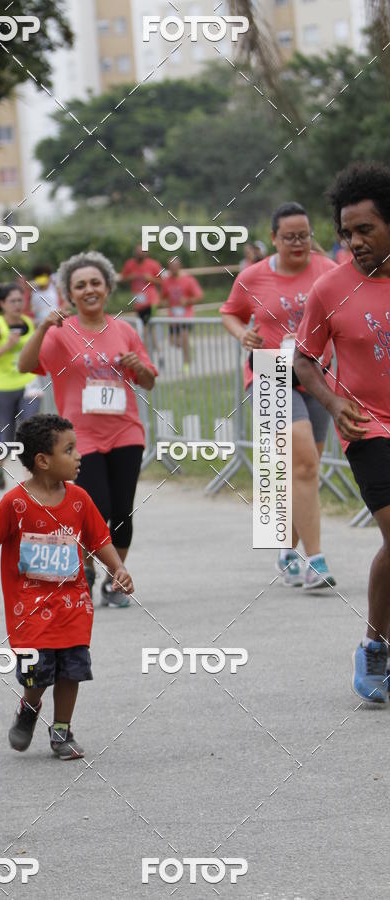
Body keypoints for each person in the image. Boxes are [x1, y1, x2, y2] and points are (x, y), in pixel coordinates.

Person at [0, 413, 133, 760]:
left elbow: (98, 539)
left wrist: (117, 567)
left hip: (73, 605)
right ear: (43, 461)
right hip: (29, 611)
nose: (79, 456)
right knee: (36, 674)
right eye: (69, 450)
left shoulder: (79, 500)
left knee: (73, 666)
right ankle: (29, 707)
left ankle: (62, 730)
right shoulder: (13, 503)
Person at [294, 163, 390, 702]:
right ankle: (375, 647)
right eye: (346, 232)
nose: (353, 241)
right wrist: (332, 402)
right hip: (367, 424)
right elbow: (303, 359)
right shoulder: (330, 289)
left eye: (365, 230)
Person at [18, 251, 157, 608]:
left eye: (96, 282)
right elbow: (25, 364)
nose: (89, 289)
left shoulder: (125, 330)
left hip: (126, 431)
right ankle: (88, 567)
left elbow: (148, 381)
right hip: (82, 436)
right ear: (70, 293)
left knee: (123, 511)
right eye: (80, 285)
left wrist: (137, 365)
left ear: (108, 287)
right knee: (97, 507)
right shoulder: (61, 333)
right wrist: (44, 327)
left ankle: (115, 580)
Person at [220, 202, 337, 590]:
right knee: (301, 454)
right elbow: (230, 312)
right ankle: (316, 562)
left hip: (316, 372)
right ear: (274, 239)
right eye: (289, 237)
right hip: (269, 372)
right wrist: (242, 334)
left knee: (306, 466)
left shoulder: (328, 271)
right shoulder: (253, 276)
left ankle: (286, 548)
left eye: (304, 235)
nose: (298, 243)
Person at [0, 283, 39, 489]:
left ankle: (32, 483)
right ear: (3, 304)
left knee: (31, 431)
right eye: (12, 301)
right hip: (2, 388)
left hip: (28, 384)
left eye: (20, 300)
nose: (17, 304)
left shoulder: (29, 323)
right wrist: (7, 347)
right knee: (7, 440)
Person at [160, 258, 203, 373]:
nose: (173, 269)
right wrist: (165, 302)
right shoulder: (166, 281)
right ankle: (188, 347)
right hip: (173, 317)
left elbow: (199, 296)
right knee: (174, 342)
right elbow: (162, 299)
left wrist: (188, 301)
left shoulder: (188, 280)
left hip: (186, 316)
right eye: (170, 267)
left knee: (184, 337)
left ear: (179, 266)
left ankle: (186, 364)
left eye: (175, 266)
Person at [120, 244, 162, 325]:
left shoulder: (153, 264)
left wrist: (150, 279)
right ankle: (145, 337)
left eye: (142, 252)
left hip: (151, 301)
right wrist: (130, 277)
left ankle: (151, 337)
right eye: (138, 252)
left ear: (146, 253)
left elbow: (161, 281)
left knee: (151, 323)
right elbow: (123, 279)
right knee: (143, 324)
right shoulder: (129, 264)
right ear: (135, 253)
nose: (140, 254)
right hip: (139, 301)